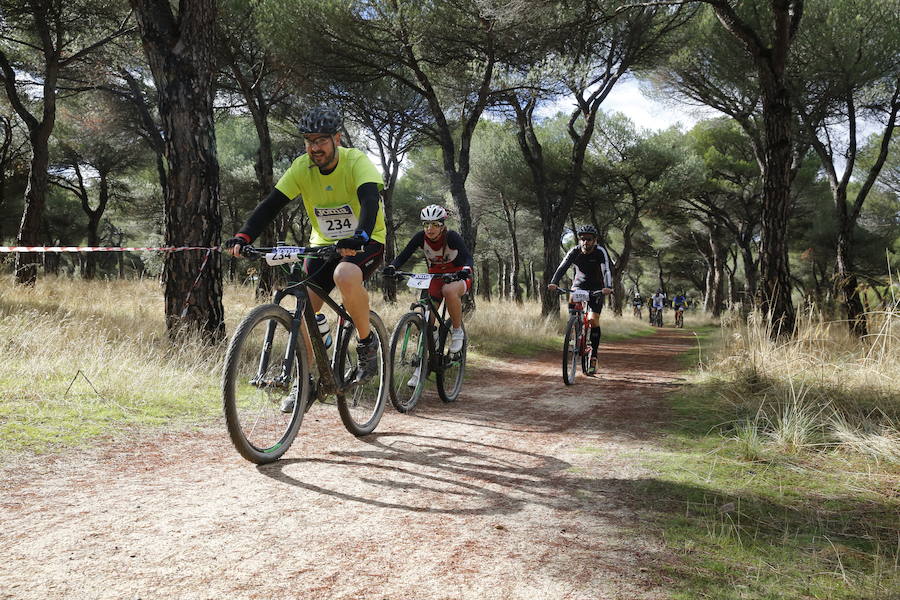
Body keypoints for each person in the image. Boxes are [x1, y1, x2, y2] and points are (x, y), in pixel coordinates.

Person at [223, 106, 386, 409]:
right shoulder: (302, 167)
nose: (315, 148)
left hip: (366, 241)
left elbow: (369, 200)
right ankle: (306, 380)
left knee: (345, 275)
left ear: (337, 138)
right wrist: (245, 235)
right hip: (323, 244)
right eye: (309, 141)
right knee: (304, 306)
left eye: (322, 140)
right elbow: (272, 204)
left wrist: (361, 235)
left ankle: (366, 343)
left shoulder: (356, 162)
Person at [383, 204, 473, 367]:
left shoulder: (451, 236)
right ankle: (426, 356)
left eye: (435, 224)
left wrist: (466, 269)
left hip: (458, 275)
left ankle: (457, 331)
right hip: (435, 276)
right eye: (426, 224)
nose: (430, 229)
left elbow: (468, 257)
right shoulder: (420, 237)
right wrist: (393, 267)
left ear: (442, 225)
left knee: (448, 290)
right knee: (426, 317)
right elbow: (404, 255)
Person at [547, 224, 614, 374]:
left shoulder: (600, 251)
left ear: (595, 240)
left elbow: (606, 270)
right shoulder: (574, 251)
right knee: (573, 311)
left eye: (589, 239)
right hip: (578, 287)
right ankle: (575, 330)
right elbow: (562, 267)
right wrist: (553, 282)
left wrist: (608, 286)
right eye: (582, 239)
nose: (585, 242)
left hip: (597, 288)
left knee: (592, 320)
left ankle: (594, 357)